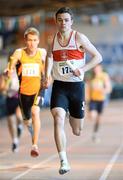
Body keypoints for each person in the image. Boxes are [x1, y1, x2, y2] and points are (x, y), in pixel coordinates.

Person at [44, 7, 102, 175]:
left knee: (77, 131)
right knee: (58, 118)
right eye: (60, 20)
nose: (63, 23)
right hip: (59, 86)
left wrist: (83, 69)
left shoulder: (79, 38)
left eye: (66, 20)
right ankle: (64, 161)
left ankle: (70, 112)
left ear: (71, 22)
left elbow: (98, 57)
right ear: (56, 22)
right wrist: (47, 75)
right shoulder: (52, 39)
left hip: (76, 87)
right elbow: (49, 56)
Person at [5, 27, 47, 157]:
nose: (32, 43)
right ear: (25, 40)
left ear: (38, 41)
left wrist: (47, 77)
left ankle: (34, 145)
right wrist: (8, 71)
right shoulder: (19, 53)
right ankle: (30, 129)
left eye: (35, 40)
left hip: (38, 90)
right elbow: (10, 65)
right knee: (27, 121)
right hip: (23, 93)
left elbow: (46, 67)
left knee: (35, 112)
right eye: (29, 40)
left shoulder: (42, 53)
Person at [87, 64, 112, 143]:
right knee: (92, 116)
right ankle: (92, 117)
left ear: (100, 69)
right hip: (92, 100)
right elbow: (87, 89)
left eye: (97, 68)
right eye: (94, 68)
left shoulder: (104, 76)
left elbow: (108, 88)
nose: (95, 70)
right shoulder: (90, 77)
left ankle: (95, 133)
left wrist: (103, 90)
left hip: (101, 100)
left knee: (98, 120)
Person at [1, 71, 23, 152]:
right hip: (9, 98)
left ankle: (20, 125)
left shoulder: (20, 71)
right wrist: (6, 82)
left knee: (19, 116)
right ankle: (15, 141)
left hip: (19, 97)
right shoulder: (5, 74)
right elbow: (2, 88)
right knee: (11, 122)